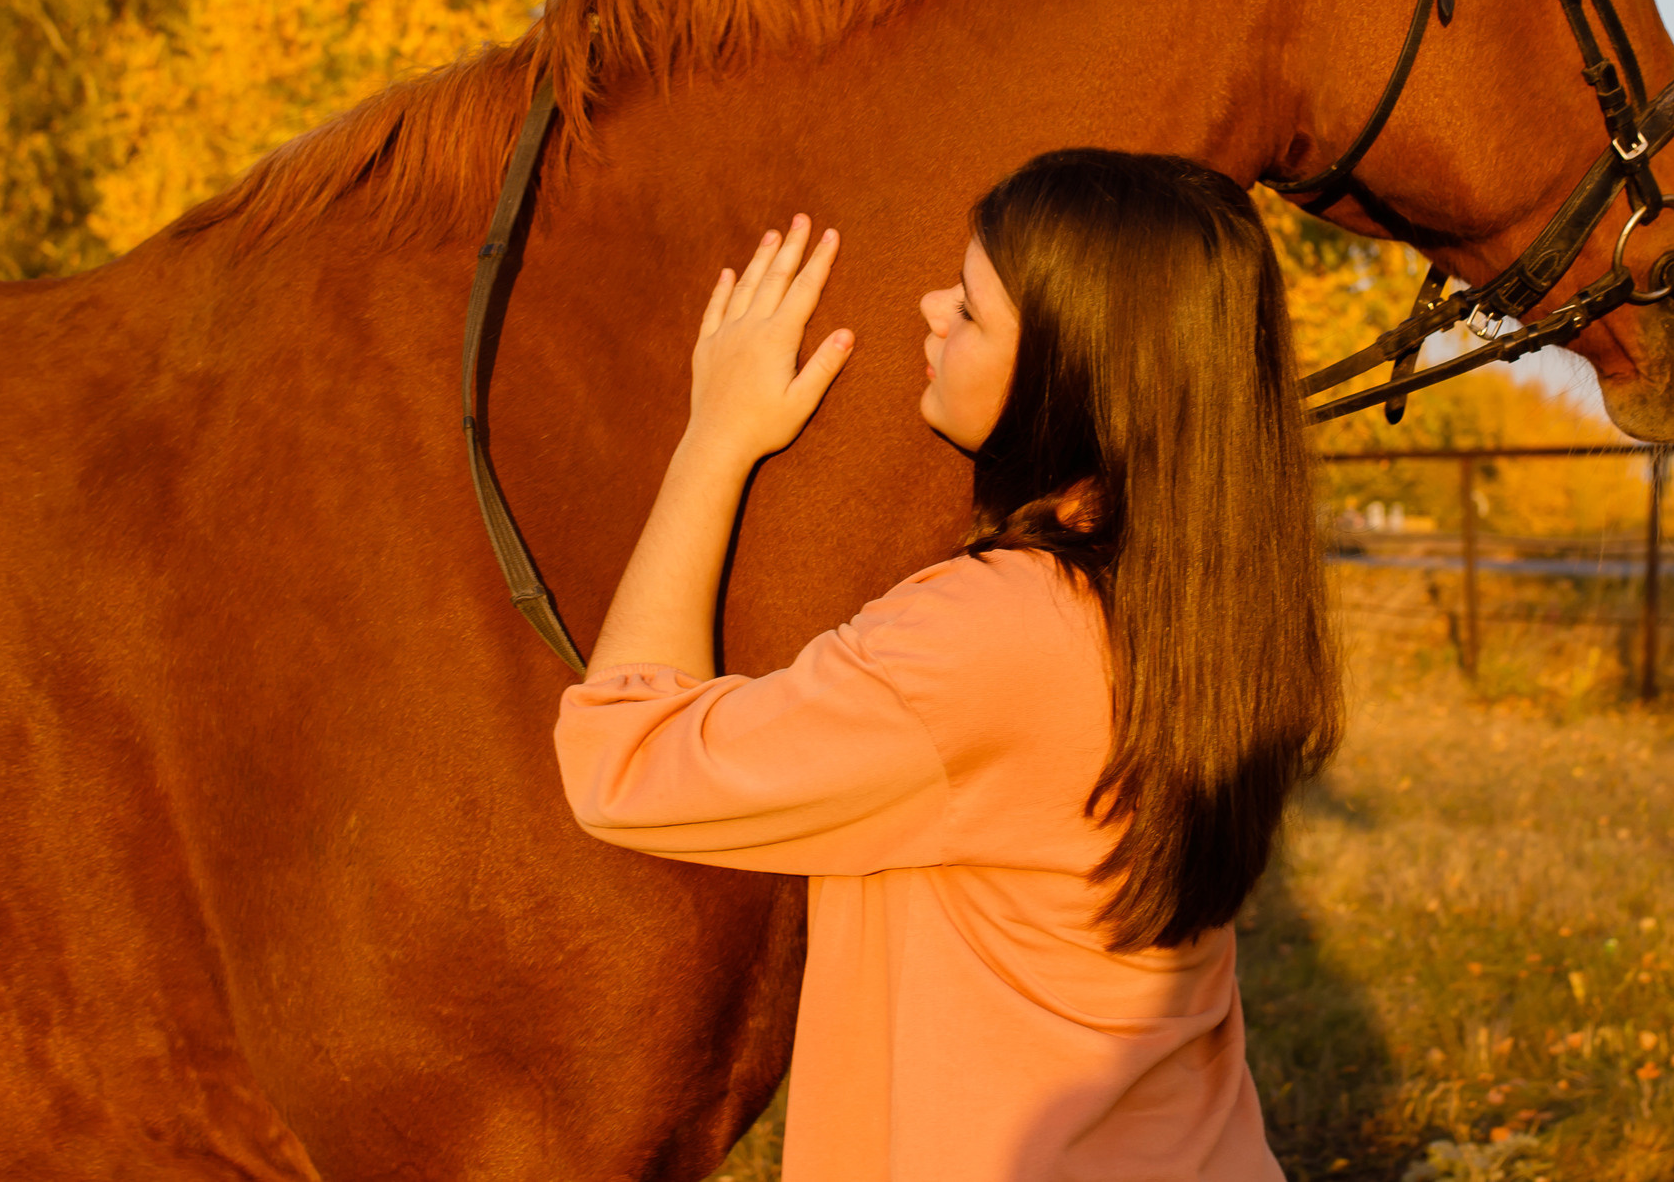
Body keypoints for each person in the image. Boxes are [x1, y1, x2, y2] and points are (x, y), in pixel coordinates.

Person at [553, 150, 1342, 1181]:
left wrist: (714, 437)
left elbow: (622, 765)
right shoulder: (1221, 606)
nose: (930, 310)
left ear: (1069, 369)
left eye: (971, 311)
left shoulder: (986, 636)